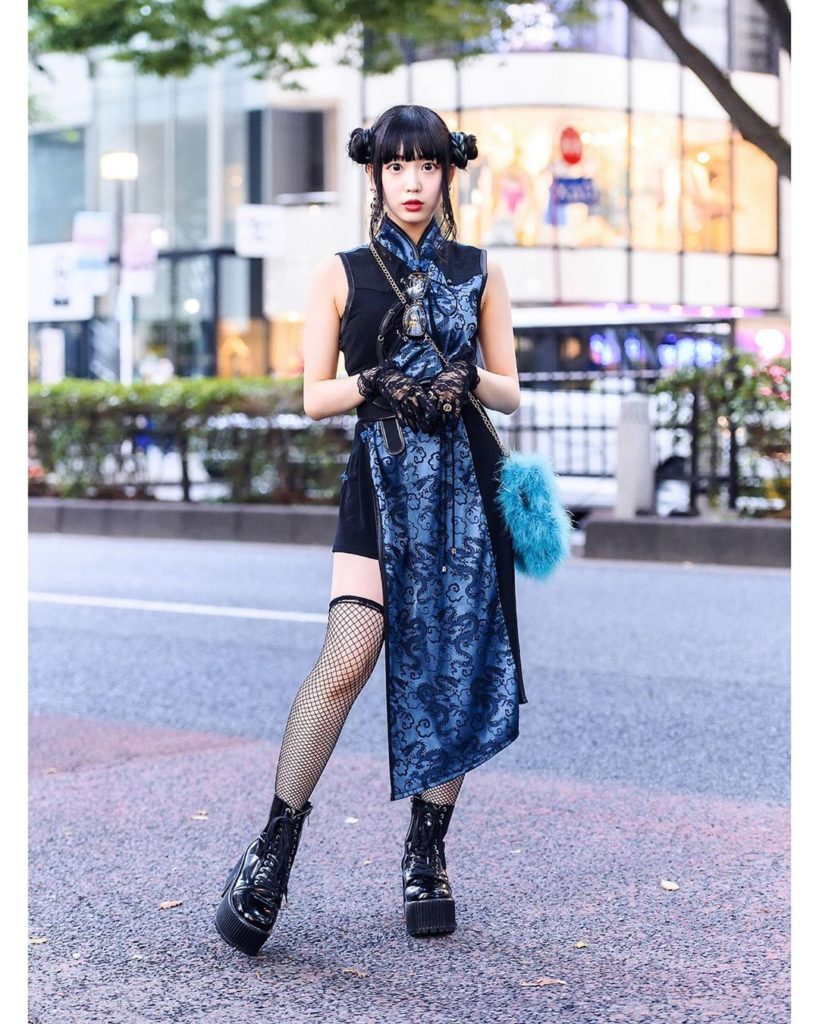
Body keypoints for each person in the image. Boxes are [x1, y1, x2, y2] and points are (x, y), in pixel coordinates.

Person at [214, 104, 527, 956]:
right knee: (347, 658)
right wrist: (377, 380)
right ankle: (272, 848)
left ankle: (426, 855)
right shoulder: (341, 272)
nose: (412, 182)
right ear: (375, 176)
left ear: (447, 173)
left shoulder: (479, 270)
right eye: (396, 167)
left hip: (466, 491)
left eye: (426, 166)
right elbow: (313, 394)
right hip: (379, 486)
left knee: (454, 670)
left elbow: (511, 389)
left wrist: (465, 379)